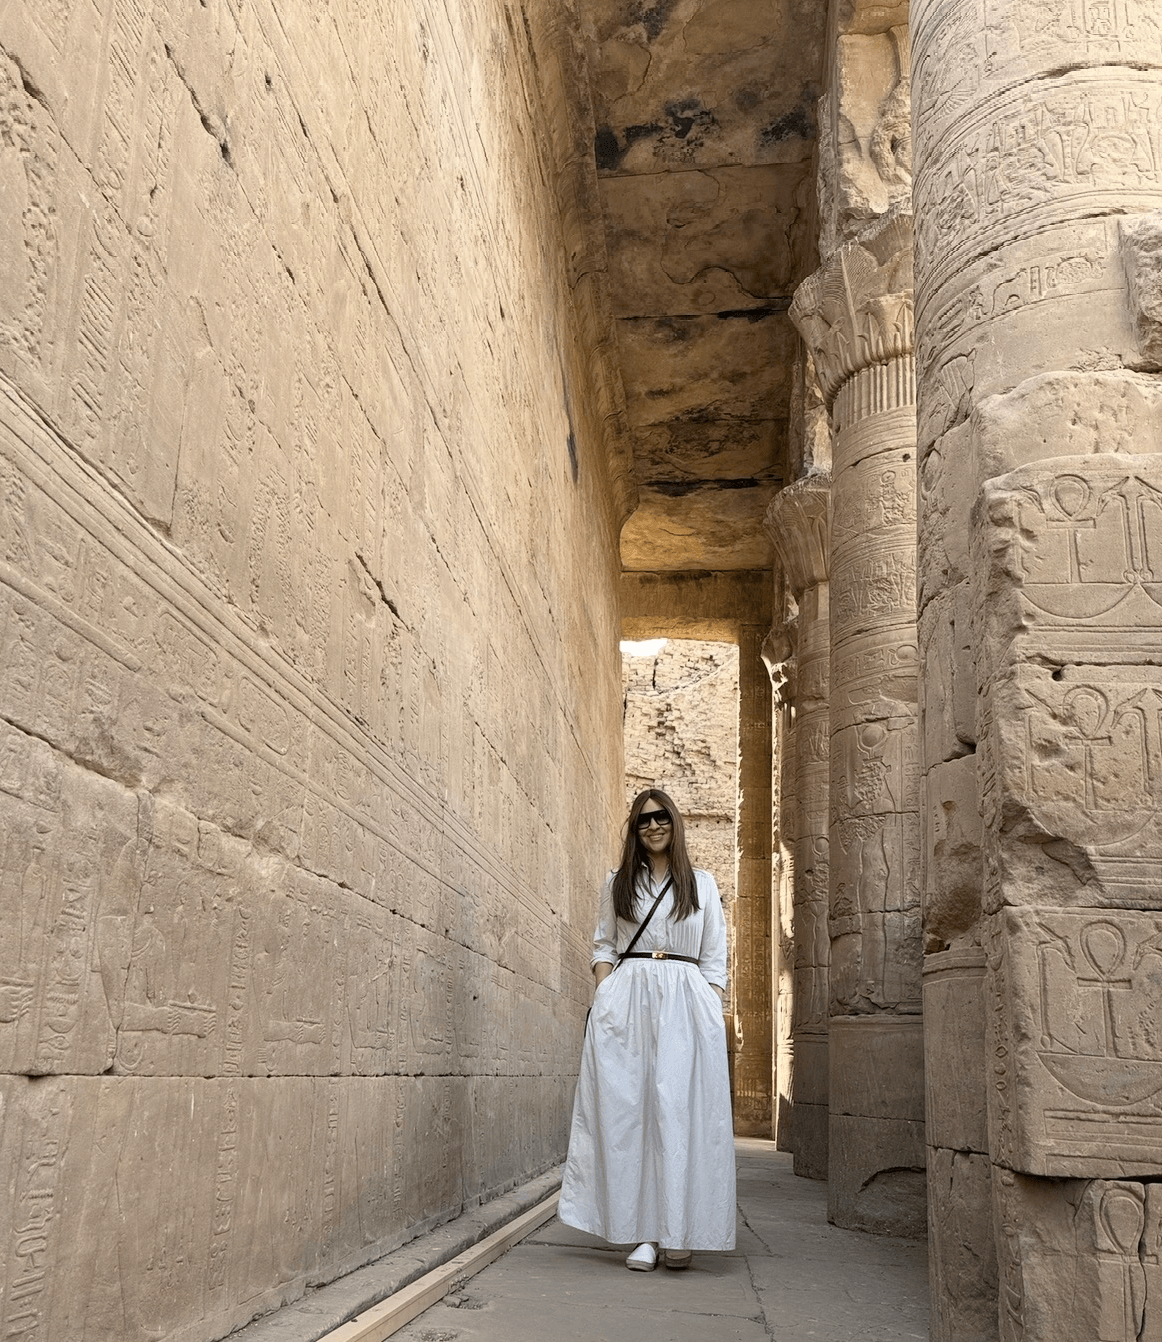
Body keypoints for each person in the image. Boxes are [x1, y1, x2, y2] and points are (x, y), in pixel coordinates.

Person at [558, 787, 736, 1271]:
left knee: (679, 1115)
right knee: (630, 1115)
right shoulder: (618, 883)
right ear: (635, 830)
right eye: (643, 820)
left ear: (675, 823)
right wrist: (605, 995)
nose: (653, 826)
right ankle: (644, 1235)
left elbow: (714, 958)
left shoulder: (702, 884)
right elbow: (603, 945)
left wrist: (709, 1007)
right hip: (627, 1004)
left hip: (686, 1005)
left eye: (661, 817)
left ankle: (679, 1229)